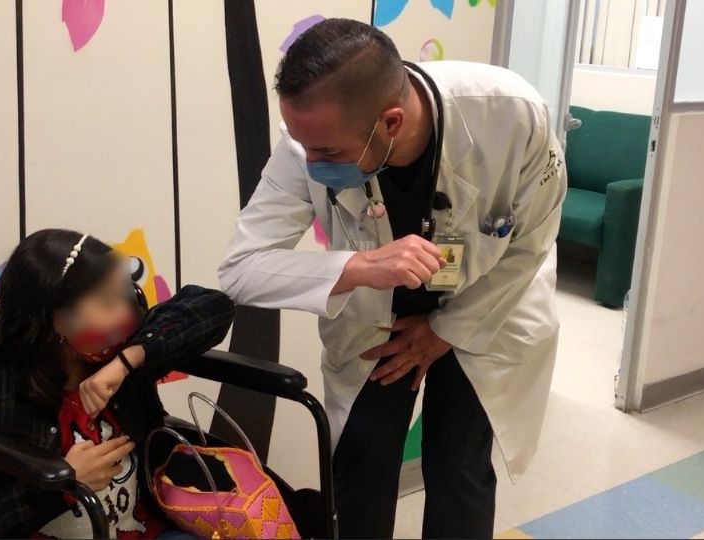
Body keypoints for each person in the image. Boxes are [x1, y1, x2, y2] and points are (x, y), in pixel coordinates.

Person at [218, 19, 565, 539]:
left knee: (458, 464)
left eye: (329, 154)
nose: (312, 165)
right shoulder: (309, 140)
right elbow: (240, 270)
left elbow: (531, 241)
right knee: (362, 457)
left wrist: (444, 331)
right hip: (381, 320)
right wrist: (358, 267)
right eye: (304, 147)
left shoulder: (511, 116)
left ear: (392, 122)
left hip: (487, 304)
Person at [0, 229, 235, 538]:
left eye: (125, 295)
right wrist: (61, 484)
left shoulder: (121, 355)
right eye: (107, 302)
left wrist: (128, 360)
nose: (125, 313)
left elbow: (214, 307)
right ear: (55, 318)